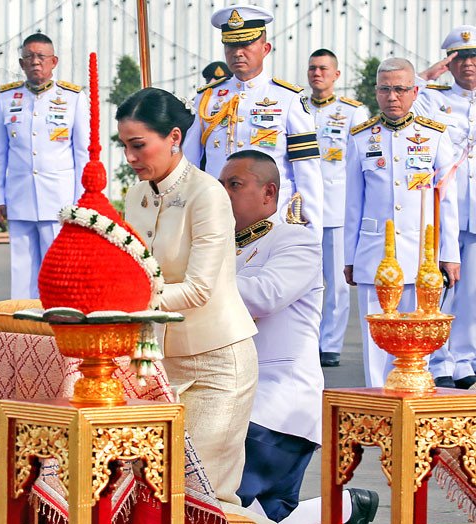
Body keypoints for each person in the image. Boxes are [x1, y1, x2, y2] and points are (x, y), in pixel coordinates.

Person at [118, 87, 301, 524]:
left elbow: (199, 287)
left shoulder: (206, 195)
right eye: (124, 147)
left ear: (175, 138)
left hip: (221, 359)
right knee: (154, 480)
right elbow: (134, 265)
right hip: (160, 360)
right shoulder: (138, 195)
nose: (130, 159)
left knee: (205, 489)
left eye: (139, 146)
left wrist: (128, 298)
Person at [223, 150, 379, 524]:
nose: (224, 194)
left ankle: (341, 510)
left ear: (269, 192)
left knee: (225, 496)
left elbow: (265, 296)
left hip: (278, 401)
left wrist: (198, 279)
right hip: (238, 393)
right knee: (258, 519)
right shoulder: (225, 246)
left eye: (234, 185)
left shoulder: (296, 240)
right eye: (221, 185)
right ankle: (346, 506)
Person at [345, 58, 461, 388]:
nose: (392, 97)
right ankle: (379, 409)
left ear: (414, 92)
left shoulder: (434, 136)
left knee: (418, 342)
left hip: (421, 256)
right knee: (376, 340)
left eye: (399, 89)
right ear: (376, 92)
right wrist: (350, 258)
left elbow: (447, 201)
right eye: (385, 89)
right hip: (374, 254)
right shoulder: (360, 137)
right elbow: (352, 203)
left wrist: (449, 253)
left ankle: (412, 411)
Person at [183, 4, 324, 237]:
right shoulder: (206, 98)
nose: (237, 52)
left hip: (272, 221)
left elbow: (307, 170)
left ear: (265, 48)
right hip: (217, 217)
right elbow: (189, 164)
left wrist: (313, 233)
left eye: (246, 44)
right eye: (231, 45)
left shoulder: (287, 98)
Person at [0, 32, 89, 299]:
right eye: (29, 57)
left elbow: (82, 154)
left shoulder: (72, 98)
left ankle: (57, 321)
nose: (35, 62)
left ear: (53, 61)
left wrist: (82, 200)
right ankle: (20, 324)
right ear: (21, 63)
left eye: (41, 57)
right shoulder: (8, 98)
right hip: (19, 196)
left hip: (59, 199)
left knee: (57, 268)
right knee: (21, 269)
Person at [414, 27, 476, 390]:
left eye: (474, 58)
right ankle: (438, 360)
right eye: (461, 58)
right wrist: (427, 76)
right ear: (450, 63)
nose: (469, 65)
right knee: (437, 287)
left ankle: (465, 358)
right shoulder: (436, 98)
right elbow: (403, 102)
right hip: (444, 211)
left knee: (470, 293)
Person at [305, 49, 370, 368]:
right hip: (302, 209)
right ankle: (306, 340)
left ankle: (330, 343)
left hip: (336, 207)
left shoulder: (353, 113)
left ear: (336, 75)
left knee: (337, 281)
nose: (317, 74)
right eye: (313, 68)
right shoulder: (299, 107)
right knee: (304, 279)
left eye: (323, 69)